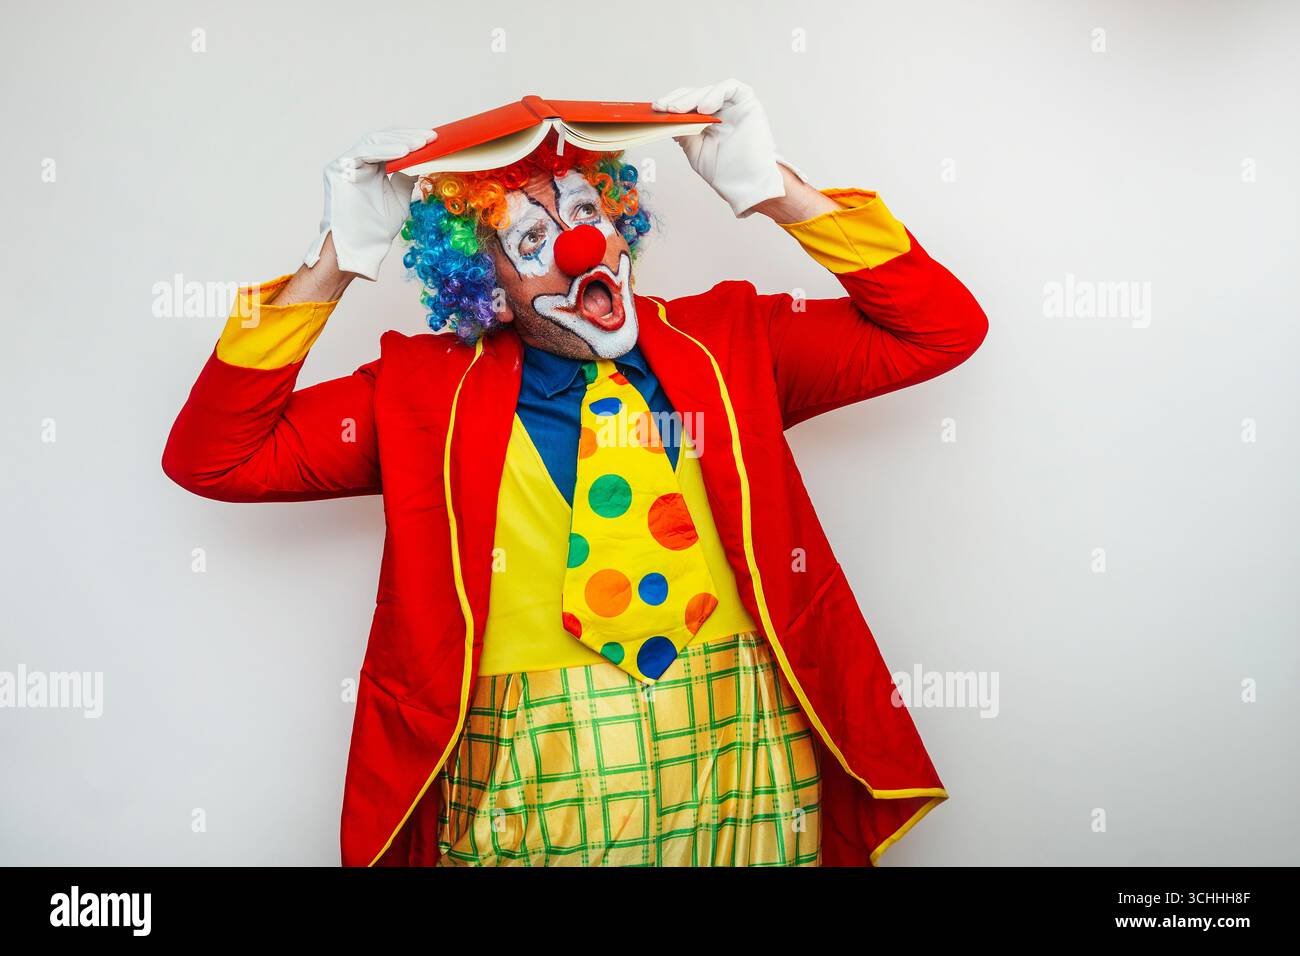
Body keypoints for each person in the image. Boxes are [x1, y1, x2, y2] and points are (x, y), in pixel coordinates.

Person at [163, 79, 988, 866]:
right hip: (529, 770)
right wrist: (334, 261)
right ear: (487, 283)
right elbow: (216, 457)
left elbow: (941, 330)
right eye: (532, 240)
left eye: (589, 212)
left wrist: (774, 190)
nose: (578, 244)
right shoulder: (420, 392)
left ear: (621, 225)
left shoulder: (734, 340)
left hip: (743, 742)